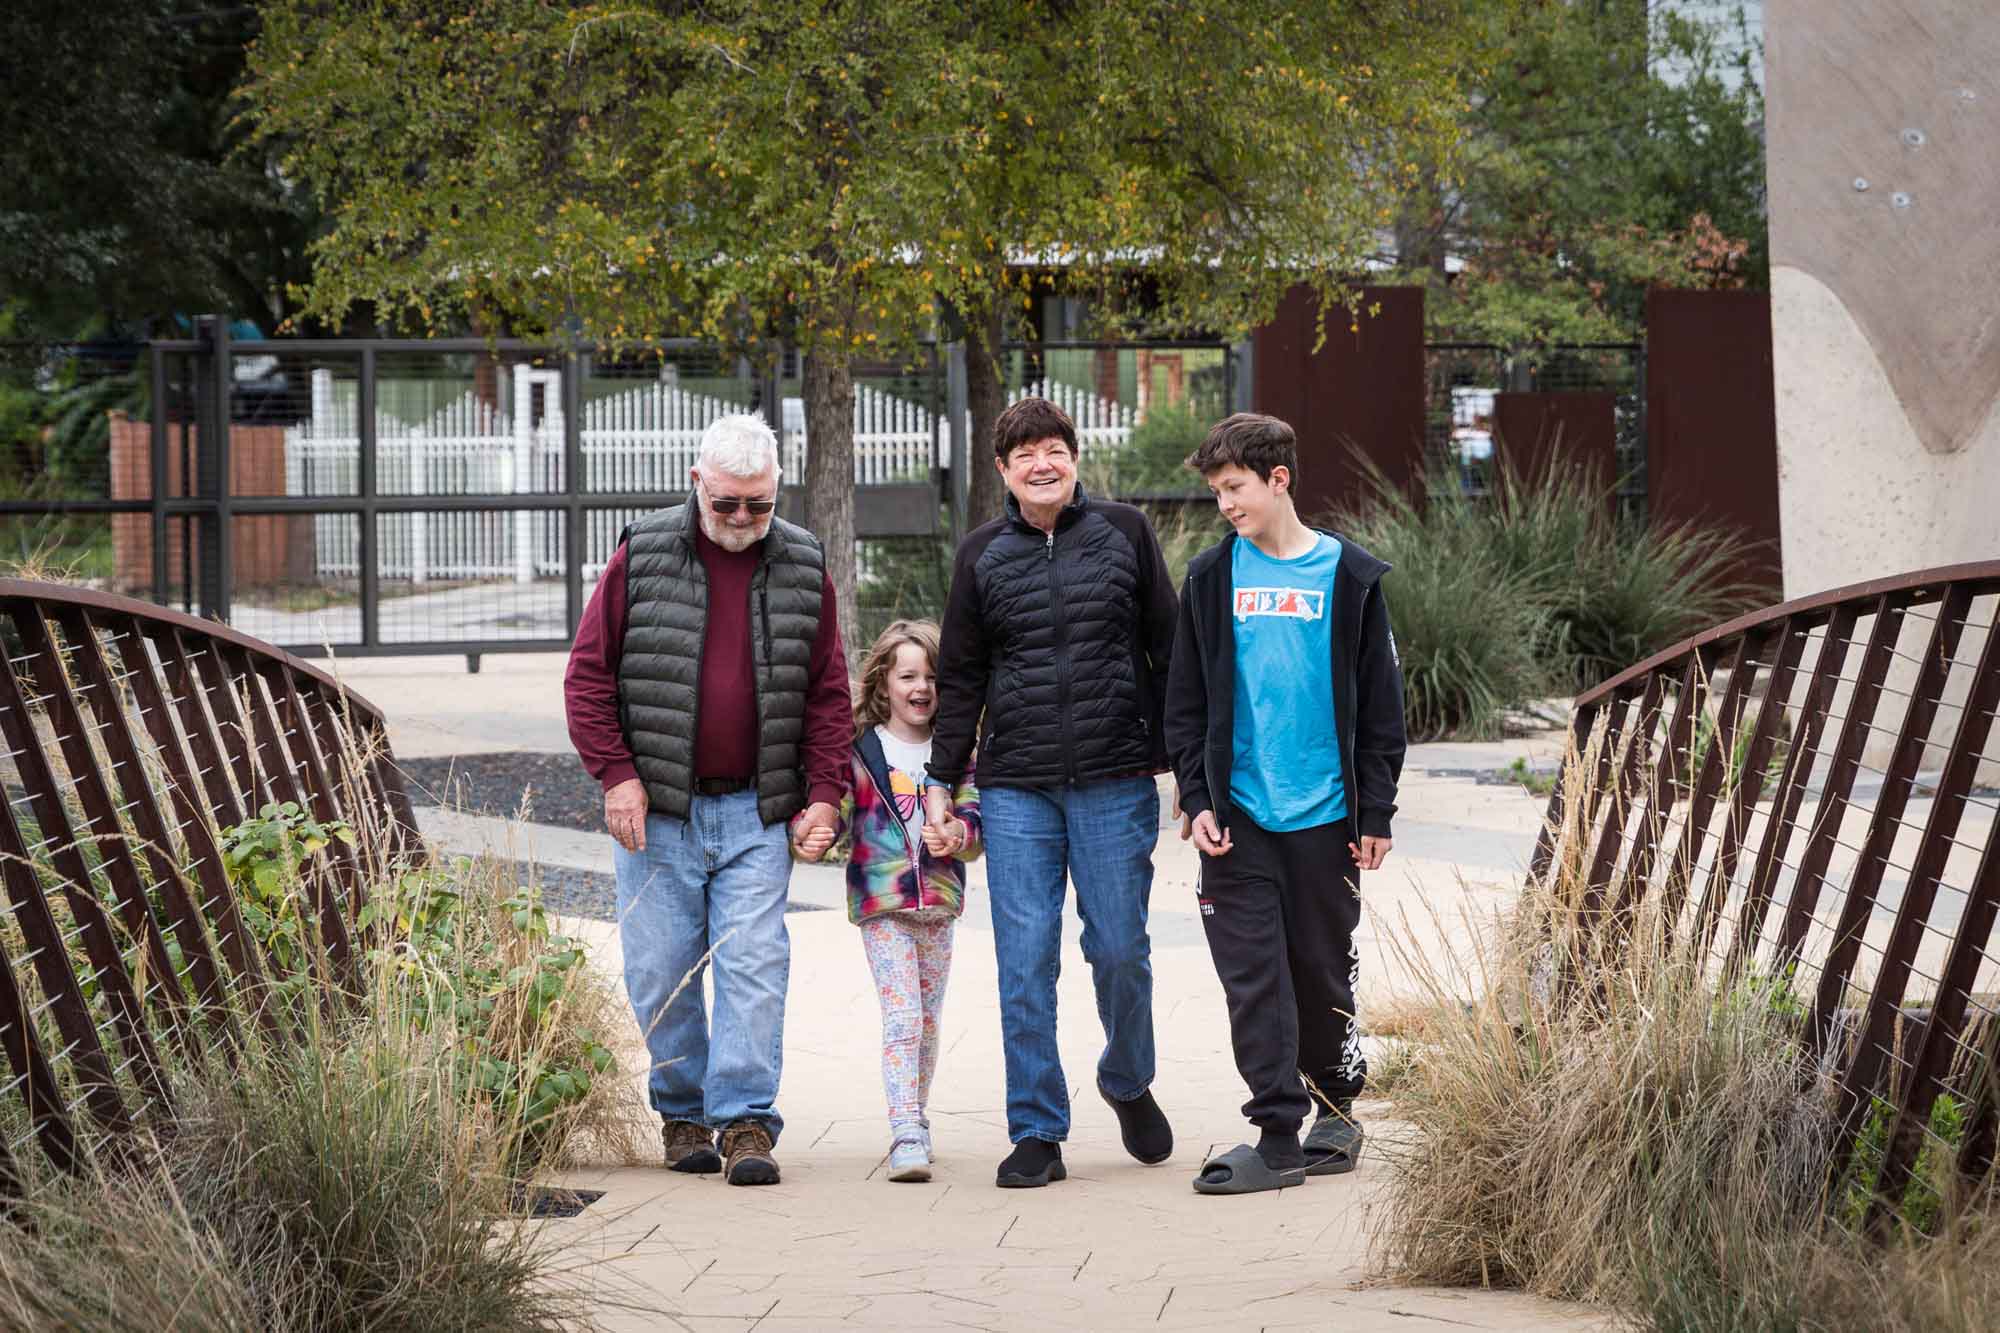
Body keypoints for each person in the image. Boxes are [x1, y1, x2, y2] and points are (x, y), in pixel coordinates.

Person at [564, 412, 850, 1187]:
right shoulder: (641, 554)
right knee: (661, 968)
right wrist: (616, 774)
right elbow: (588, 678)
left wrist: (824, 794)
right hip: (659, 807)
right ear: (698, 483)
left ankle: (747, 1121)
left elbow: (828, 694)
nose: (742, 520)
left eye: (758, 505)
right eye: (727, 503)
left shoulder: (802, 562)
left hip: (758, 808)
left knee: (756, 964)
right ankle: (683, 1112)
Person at [923, 395, 1179, 1189]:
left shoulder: (1126, 534)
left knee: (1118, 949)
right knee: (1024, 962)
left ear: (1075, 457)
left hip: (1113, 777)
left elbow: (1169, 651)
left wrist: (1184, 772)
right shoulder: (980, 555)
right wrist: (940, 779)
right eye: (1025, 452)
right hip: (1018, 789)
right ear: (1002, 469)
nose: (1043, 462)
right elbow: (961, 675)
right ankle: (1037, 1126)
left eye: (1055, 448)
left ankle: (1127, 1078)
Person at [1162, 412, 1407, 1195]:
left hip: (1328, 816)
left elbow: (1380, 709)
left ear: (1279, 480)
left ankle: (1336, 1110)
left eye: (1234, 488)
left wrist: (1376, 813)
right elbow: (1186, 701)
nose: (1225, 504)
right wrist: (1195, 796)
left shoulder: (1350, 577)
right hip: (1238, 816)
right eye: (1216, 492)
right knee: (1251, 974)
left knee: (1321, 968)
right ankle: (1276, 1132)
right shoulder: (1209, 578)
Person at [795, 619, 982, 1183]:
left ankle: (918, 1118)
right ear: (884, 683)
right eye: (908, 676)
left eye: (932, 677)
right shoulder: (862, 752)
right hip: (884, 904)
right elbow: (837, 812)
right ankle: (903, 1129)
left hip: (939, 906)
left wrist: (957, 837)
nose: (920, 687)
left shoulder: (958, 753)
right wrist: (812, 831)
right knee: (902, 1016)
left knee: (926, 1021)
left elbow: (975, 823)